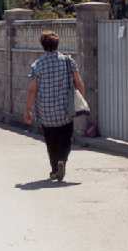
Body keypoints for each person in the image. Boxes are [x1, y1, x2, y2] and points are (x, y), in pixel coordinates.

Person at [24, 31, 85, 181]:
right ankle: (62, 161)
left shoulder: (37, 65)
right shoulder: (68, 61)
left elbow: (32, 89)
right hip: (65, 110)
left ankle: (54, 169)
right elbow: (78, 82)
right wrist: (81, 99)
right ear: (57, 44)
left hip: (46, 112)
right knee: (66, 139)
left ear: (42, 45)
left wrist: (28, 110)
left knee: (51, 142)